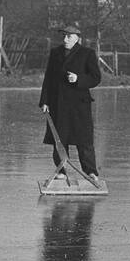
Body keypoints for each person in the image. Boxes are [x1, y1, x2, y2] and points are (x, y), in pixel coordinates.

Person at [40, 23, 102, 184]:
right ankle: (62, 171)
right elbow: (48, 78)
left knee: (84, 140)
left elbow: (96, 78)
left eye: (69, 36)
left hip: (79, 104)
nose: (65, 39)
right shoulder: (55, 53)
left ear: (77, 38)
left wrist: (79, 79)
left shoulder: (87, 53)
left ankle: (90, 172)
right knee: (59, 139)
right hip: (57, 103)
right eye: (64, 36)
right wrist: (44, 101)